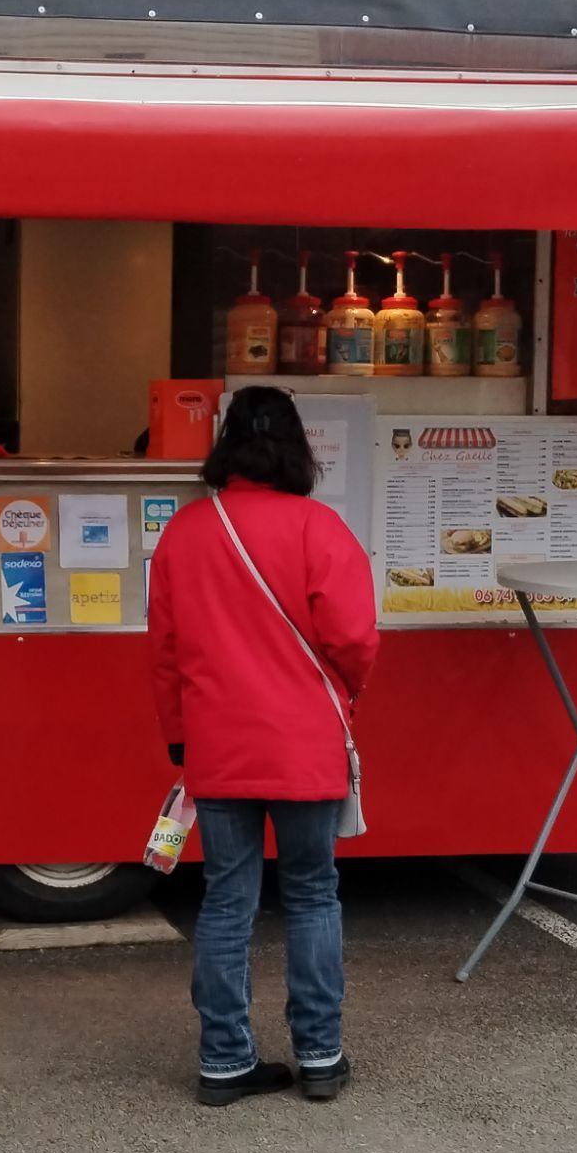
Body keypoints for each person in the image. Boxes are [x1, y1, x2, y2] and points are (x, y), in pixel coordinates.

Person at [147, 386, 380, 1105]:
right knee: (313, 896)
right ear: (297, 446)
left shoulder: (185, 533)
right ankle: (319, 1056)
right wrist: (343, 698)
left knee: (225, 902)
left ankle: (223, 1060)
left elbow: (165, 653)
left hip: (219, 748)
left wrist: (180, 740)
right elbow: (354, 639)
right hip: (305, 744)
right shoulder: (320, 527)